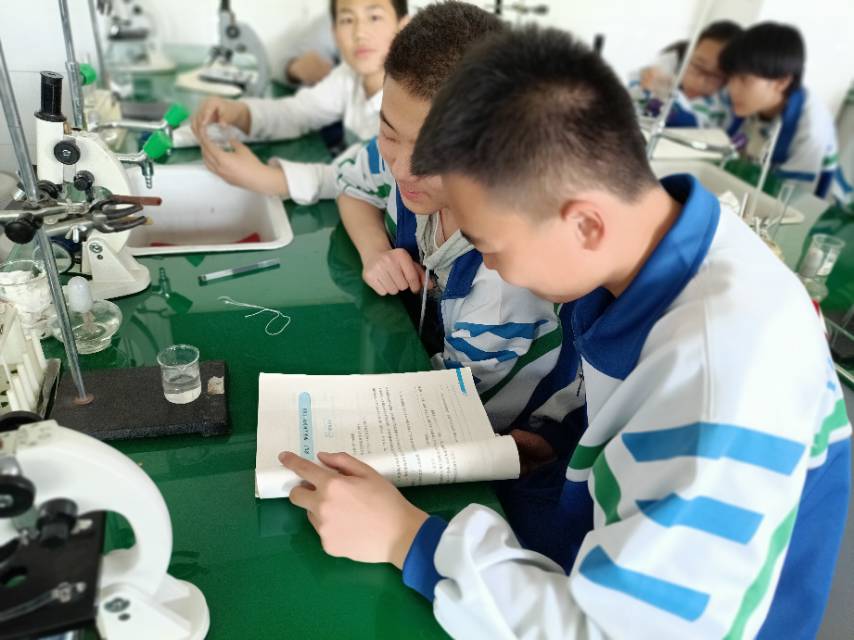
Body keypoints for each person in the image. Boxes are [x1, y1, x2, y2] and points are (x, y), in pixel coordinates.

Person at [281, 25, 851, 639]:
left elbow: (610, 631)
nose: (491, 266)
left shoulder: (718, 378)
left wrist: (406, 539)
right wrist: (567, 447)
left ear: (584, 225)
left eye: (487, 244)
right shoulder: (659, 246)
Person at [336, 2, 582, 433]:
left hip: (502, 432)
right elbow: (352, 186)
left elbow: (451, 412)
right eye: (388, 132)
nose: (402, 170)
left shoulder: (503, 283)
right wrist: (375, 251)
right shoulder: (406, 147)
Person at [189, 0, 408, 205]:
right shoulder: (348, 76)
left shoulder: (410, 102)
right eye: (347, 20)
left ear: (404, 26)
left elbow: (363, 176)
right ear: (333, 32)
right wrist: (239, 112)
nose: (360, 32)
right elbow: (298, 113)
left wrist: (269, 179)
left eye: (374, 17)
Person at [721, 22, 839, 198]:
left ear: (781, 82)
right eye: (730, 77)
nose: (732, 89)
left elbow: (790, 200)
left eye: (744, 80)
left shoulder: (811, 132)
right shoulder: (748, 102)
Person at [629, 20, 742, 128]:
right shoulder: (665, 70)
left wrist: (664, 97)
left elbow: (691, 126)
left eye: (715, 75)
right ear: (688, 54)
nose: (700, 80)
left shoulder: (719, 107)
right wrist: (643, 90)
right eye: (698, 66)